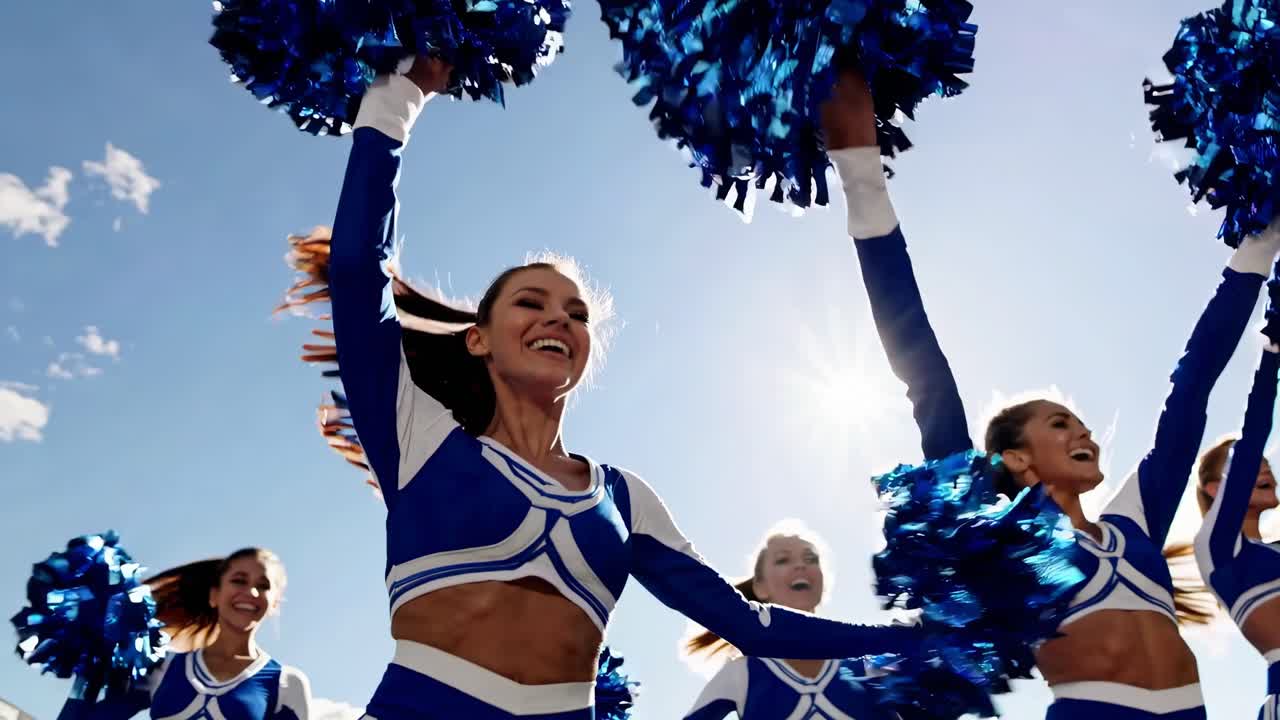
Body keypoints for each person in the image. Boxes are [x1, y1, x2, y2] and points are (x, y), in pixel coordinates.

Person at [280, 54, 927, 719]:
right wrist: (399, 98)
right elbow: (358, 270)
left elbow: (748, 625)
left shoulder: (623, 498)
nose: (558, 317)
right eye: (531, 303)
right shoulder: (418, 438)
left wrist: (912, 640)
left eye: (577, 313)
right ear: (479, 339)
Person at [833, 65, 1280, 717]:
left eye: (1080, 423)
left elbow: (1194, 386)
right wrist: (862, 177)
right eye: (1059, 424)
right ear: (1016, 458)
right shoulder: (1004, 535)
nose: (1085, 433)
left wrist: (1259, 239)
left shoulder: (1134, 524)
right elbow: (927, 380)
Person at [55, 547, 310, 720]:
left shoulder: (285, 684)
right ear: (214, 595)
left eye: (263, 586)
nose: (251, 593)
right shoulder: (161, 667)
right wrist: (93, 663)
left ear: (274, 604)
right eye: (239, 580)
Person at [681, 524, 894, 719]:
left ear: (823, 580)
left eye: (810, 559)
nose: (800, 566)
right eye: (783, 560)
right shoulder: (743, 673)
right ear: (760, 587)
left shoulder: (867, 666)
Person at [1191, 343, 1280, 719]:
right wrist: (1271, 355)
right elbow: (1255, 433)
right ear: (1215, 489)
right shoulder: (1219, 548)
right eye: (1247, 464)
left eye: (1266, 463)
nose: (1263, 469)